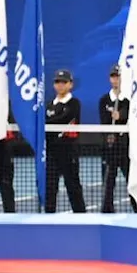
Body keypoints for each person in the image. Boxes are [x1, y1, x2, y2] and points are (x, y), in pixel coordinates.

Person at [98, 66, 137, 212]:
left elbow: (131, 115)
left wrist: (121, 115)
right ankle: (106, 212)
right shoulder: (104, 100)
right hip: (109, 150)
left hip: (127, 150)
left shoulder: (131, 100)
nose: (116, 79)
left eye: (118, 76)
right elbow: (104, 123)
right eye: (113, 76)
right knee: (108, 184)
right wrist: (108, 137)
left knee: (133, 183)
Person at [44, 69, 85, 213]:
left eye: (64, 82)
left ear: (70, 84)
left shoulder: (74, 103)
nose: (60, 85)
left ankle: (81, 217)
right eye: (57, 82)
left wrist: (46, 123)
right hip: (51, 152)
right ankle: (48, 217)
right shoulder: (49, 105)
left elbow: (64, 118)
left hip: (69, 152)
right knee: (50, 187)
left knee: (73, 186)